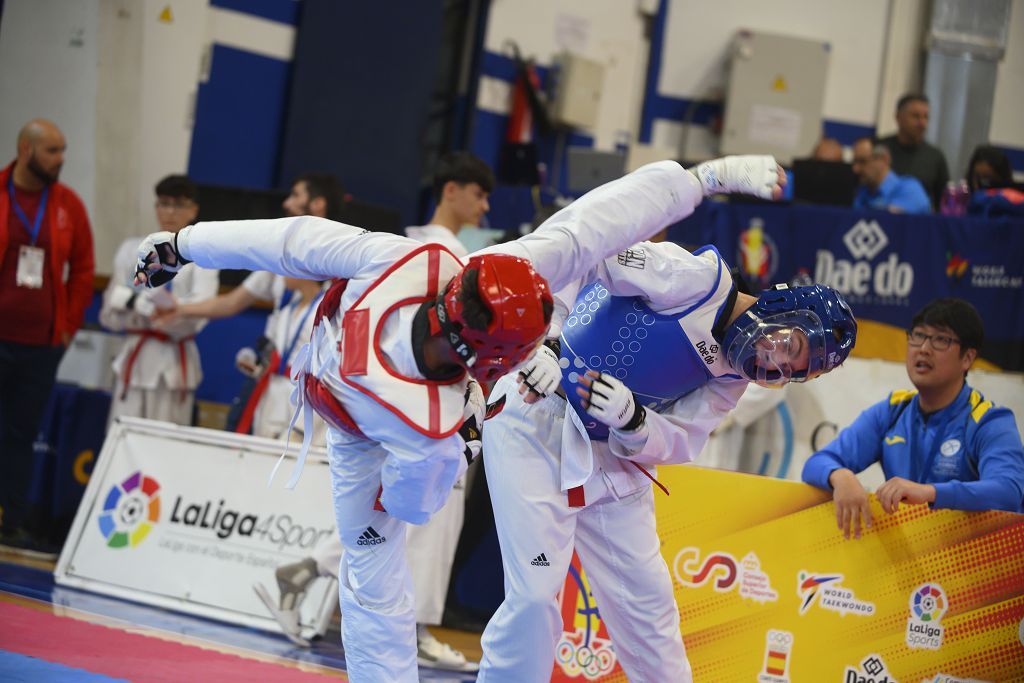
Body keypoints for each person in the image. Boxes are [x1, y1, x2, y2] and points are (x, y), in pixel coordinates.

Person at [134, 155, 785, 683]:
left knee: (377, 568)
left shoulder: (423, 281)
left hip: (381, 389)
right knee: (373, 573)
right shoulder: (429, 379)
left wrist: (184, 243)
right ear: (495, 356)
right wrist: (474, 419)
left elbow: (597, 223)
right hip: (354, 417)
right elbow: (415, 502)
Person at [476, 259, 856, 680]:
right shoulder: (696, 281)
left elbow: (682, 437)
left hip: (615, 458)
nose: (775, 365)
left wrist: (634, 421)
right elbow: (587, 256)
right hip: (538, 415)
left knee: (649, 605)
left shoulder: (732, 376)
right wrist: (542, 340)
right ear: (783, 308)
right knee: (534, 596)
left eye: (794, 371)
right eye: (790, 348)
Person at [256, 153, 495, 671]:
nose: (485, 205)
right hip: (426, 403)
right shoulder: (442, 251)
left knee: (390, 516)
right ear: (451, 189)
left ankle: (312, 572)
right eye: (478, 193)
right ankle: (415, 629)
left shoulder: (412, 242)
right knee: (426, 517)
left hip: (387, 402)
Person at [802, 298, 1024, 540]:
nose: (924, 348)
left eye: (941, 339)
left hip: (971, 565)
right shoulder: (893, 411)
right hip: (907, 560)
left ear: (968, 358)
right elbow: (817, 463)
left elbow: (1009, 491)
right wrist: (840, 476)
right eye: (918, 335)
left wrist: (930, 493)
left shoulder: (989, 421)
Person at [0, 119, 94, 551]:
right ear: (26, 149)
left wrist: (68, 328)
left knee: (22, 434)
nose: (61, 159)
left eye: (63, 149)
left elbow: (85, 270)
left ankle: (11, 518)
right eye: (52, 151)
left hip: (41, 345)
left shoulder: (68, 205)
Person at [100, 175, 218, 426]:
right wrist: (135, 305)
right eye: (164, 203)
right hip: (134, 356)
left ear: (193, 210)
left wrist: (159, 310)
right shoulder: (132, 250)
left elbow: (199, 314)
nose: (170, 212)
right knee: (121, 435)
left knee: (164, 441)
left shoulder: (203, 257)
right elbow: (109, 311)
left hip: (173, 363)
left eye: (178, 205)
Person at [878, 94, 950, 210]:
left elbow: (942, 204)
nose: (922, 123)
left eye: (926, 117)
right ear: (898, 117)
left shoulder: (935, 157)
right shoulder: (879, 150)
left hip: (920, 223)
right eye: (915, 117)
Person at [851, 138, 931, 215]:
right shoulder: (861, 194)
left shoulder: (910, 190)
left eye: (863, 161)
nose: (855, 169)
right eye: (855, 162)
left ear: (883, 159)